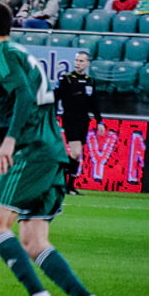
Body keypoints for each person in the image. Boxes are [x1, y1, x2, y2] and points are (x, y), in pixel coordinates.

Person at [0, 1, 108, 296]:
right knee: (34, 240)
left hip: (31, 151)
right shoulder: (22, 53)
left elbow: (22, 94)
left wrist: (9, 141)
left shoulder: (4, 54)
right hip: (53, 152)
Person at [54, 51, 106, 194]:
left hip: (84, 120)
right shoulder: (67, 79)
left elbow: (94, 103)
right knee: (76, 151)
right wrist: (52, 116)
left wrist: (99, 121)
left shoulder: (90, 81)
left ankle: (69, 186)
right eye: (77, 60)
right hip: (70, 119)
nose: (78, 63)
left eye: (81, 61)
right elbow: (55, 97)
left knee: (78, 154)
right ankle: (61, 180)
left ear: (87, 64)